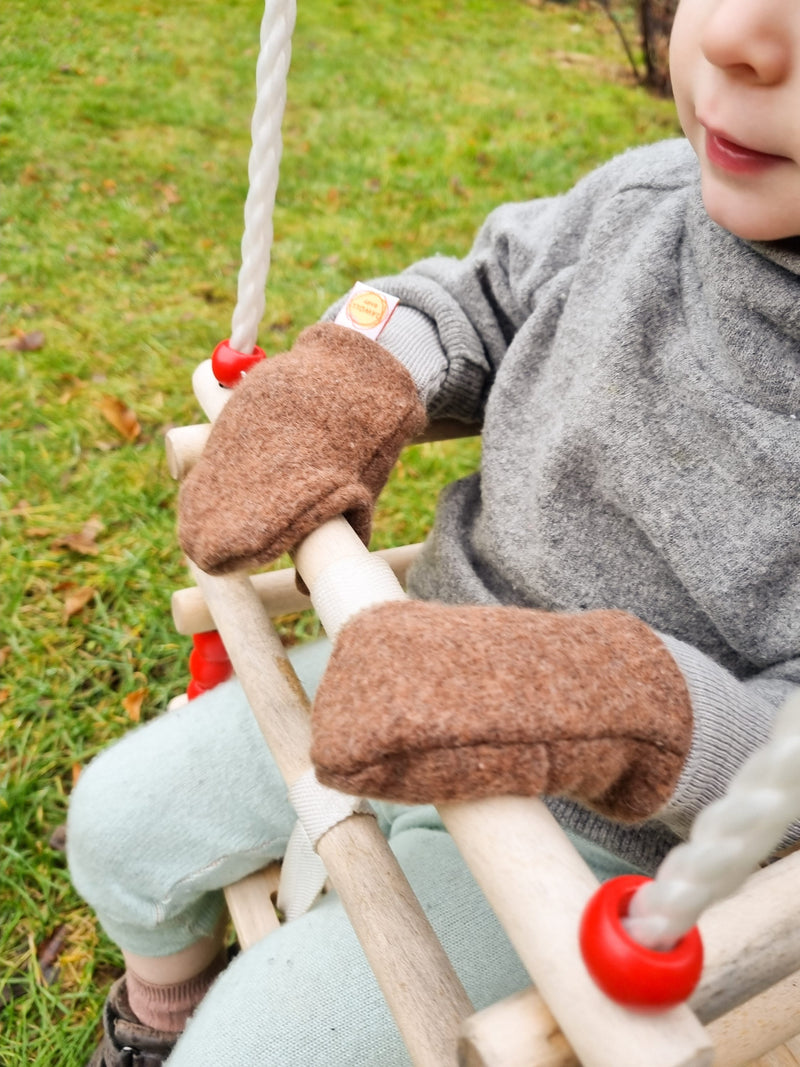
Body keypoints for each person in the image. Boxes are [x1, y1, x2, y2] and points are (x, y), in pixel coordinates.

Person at [68, 0, 800, 1062]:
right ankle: (155, 1012)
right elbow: (469, 297)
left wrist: (621, 708)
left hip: (599, 855)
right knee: (122, 821)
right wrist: (351, 373)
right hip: (404, 662)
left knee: (262, 1044)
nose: (738, 32)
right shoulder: (644, 198)